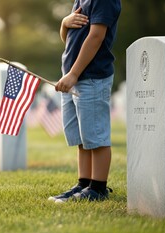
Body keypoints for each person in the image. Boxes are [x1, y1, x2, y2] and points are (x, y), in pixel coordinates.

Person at [49, 0, 121, 203]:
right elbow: (69, 39)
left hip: (92, 77)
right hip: (72, 77)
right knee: (82, 137)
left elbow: (96, 36)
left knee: (95, 136)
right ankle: (84, 183)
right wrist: (64, 23)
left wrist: (73, 73)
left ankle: (98, 188)